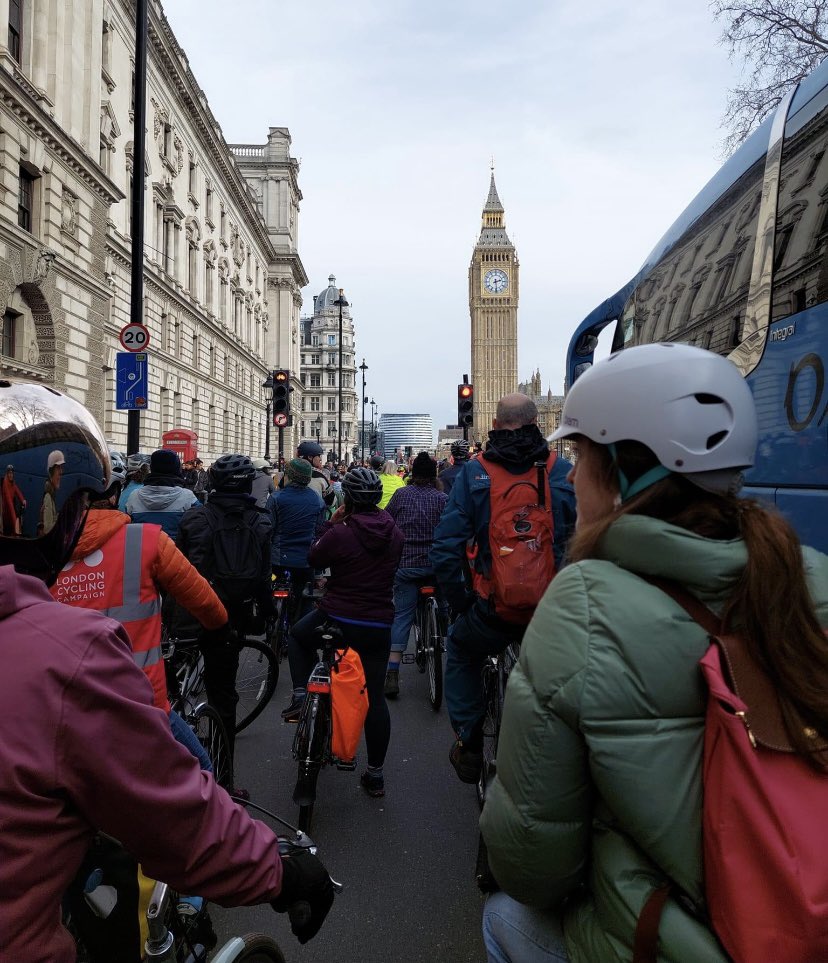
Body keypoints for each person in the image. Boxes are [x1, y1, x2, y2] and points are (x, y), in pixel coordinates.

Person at [478, 344, 828, 963]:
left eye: (578, 456)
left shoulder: (583, 603)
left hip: (678, 940)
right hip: (809, 920)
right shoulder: (812, 576)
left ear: (619, 470)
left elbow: (531, 865)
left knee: (505, 916)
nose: (569, 473)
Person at [0, 378, 334, 962]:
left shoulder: (136, 524)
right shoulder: (78, 640)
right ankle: (184, 912)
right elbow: (178, 818)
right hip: (146, 700)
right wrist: (278, 872)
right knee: (197, 776)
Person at [431, 393, 576, 784]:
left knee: (461, 649)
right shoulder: (561, 471)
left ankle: (470, 740)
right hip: (551, 613)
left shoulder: (475, 474)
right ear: (538, 424)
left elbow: (445, 549)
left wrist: (461, 602)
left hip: (492, 608)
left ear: (494, 426)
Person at [281, 467, 404, 797]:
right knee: (375, 698)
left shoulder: (341, 531)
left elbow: (314, 555)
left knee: (297, 636)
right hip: (377, 622)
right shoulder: (394, 533)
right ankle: (375, 774)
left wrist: (330, 523)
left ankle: (299, 695)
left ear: (346, 499)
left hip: (337, 616)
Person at [176, 453, 272, 758]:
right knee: (223, 695)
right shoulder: (260, 522)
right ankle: (224, 775)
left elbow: (177, 570)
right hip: (230, 618)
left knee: (169, 687)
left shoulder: (194, 517)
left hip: (189, 614)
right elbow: (262, 578)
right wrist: (266, 615)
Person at [384, 452, 448, 697]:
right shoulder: (442, 498)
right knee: (445, 608)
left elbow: (388, 522)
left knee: (401, 617)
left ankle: (392, 673)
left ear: (413, 475)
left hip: (407, 564)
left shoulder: (401, 495)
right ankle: (446, 645)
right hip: (435, 565)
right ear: (434, 476)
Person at [267, 457, 326, 620]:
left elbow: (269, 529)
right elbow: (319, 533)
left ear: (289, 476)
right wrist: (319, 573)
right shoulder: (317, 500)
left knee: (271, 584)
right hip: (305, 561)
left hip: (279, 559)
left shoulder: (276, 498)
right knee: (305, 598)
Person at [126, 448, 200, 540]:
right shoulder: (188, 497)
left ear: (152, 468)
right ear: (177, 469)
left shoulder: (134, 496)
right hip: (176, 551)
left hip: (142, 551)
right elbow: (199, 529)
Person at [280, 440, 336, 510]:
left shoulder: (288, 473)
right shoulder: (320, 475)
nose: (320, 459)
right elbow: (331, 502)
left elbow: (279, 493)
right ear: (310, 457)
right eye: (318, 456)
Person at [38, 448, 65, 535]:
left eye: (61, 468)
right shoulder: (48, 497)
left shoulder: (51, 494)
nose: (61, 472)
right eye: (58, 468)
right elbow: (48, 529)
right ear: (51, 471)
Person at [1, 464, 25, 535]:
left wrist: (23, 500)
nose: (11, 475)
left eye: (12, 473)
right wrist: (15, 524)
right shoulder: (5, 483)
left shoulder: (12, 483)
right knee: (7, 532)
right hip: (6, 514)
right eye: (9, 473)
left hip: (10, 514)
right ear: (7, 474)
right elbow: (9, 503)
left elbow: (17, 490)